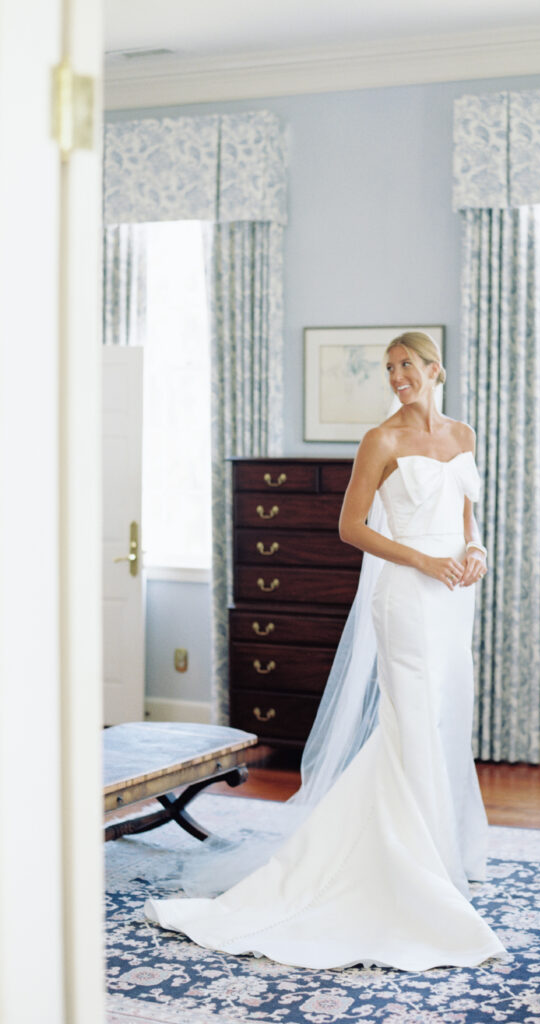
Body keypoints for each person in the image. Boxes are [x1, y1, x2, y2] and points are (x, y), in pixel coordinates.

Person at [144, 331, 505, 970]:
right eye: (389, 368)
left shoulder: (464, 434)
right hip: (408, 598)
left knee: (445, 719)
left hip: (456, 600)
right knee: (413, 722)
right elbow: (350, 526)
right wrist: (422, 558)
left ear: (436, 370)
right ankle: (420, 871)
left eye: (407, 366)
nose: (397, 377)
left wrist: (475, 551)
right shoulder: (381, 441)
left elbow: (468, 513)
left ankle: (435, 851)